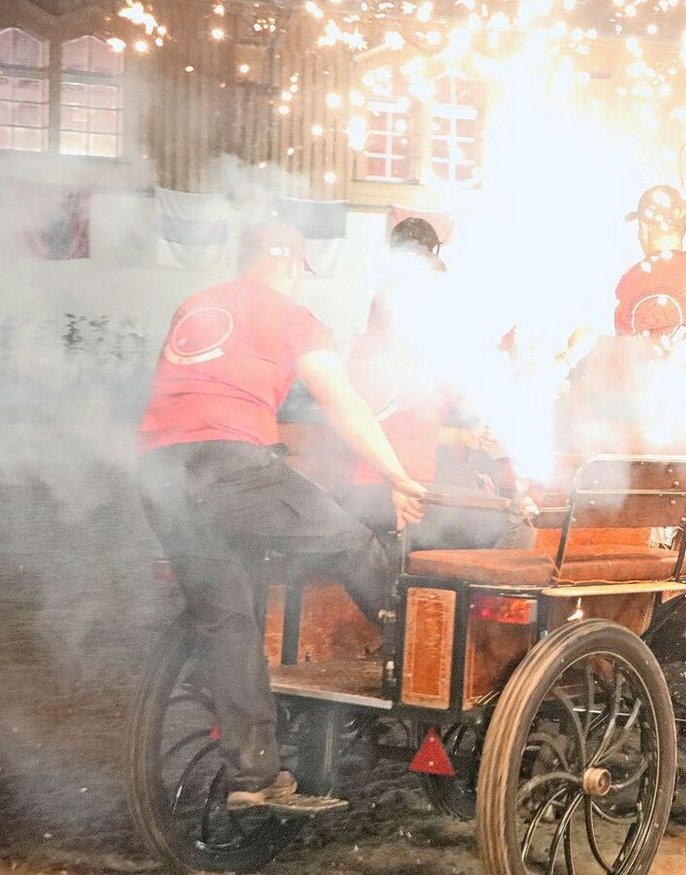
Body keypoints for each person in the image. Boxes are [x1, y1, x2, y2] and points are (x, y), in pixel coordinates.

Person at [137, 222, 427, 811]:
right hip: (232, 466)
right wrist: (397, 476)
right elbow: (342, 402)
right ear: (296, 269)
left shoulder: (196, 305)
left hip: (157, 471)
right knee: (351, 542)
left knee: (228, 621)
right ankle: (412, 653)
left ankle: (255, 774)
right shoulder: (296, 316)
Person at [342, 219, 530, 551]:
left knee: (503, 517)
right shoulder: (378, 350)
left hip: (420, 485)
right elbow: (375, 426)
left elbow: (449, 407)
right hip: (380, 491)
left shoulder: (432, 353)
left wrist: (471, 431)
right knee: (495, 523)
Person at [613, 185, 686, 350]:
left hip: (647, 374)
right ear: (683, 227)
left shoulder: (627, 284)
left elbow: (621, 354)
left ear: (644, 227)